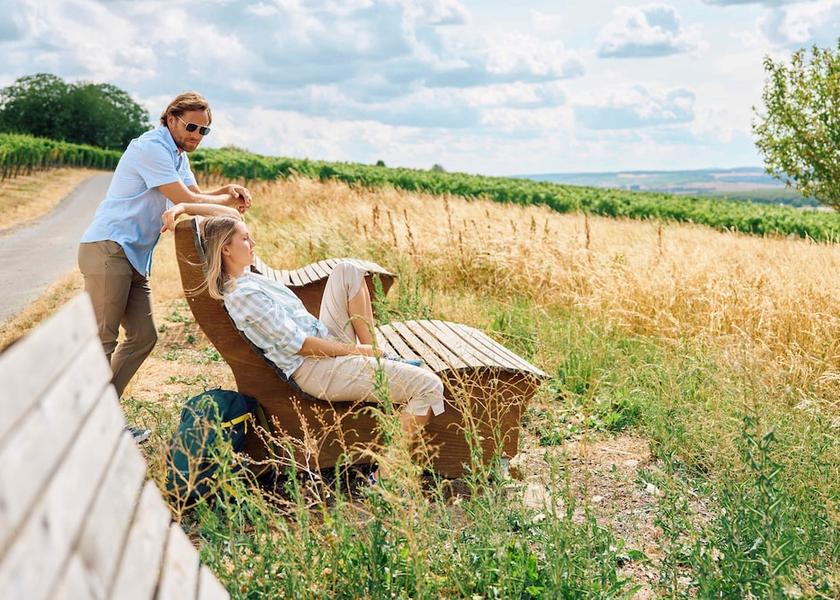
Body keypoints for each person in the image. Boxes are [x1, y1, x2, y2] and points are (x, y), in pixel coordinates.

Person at [171, 215, 445, 479]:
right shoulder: (244, 296)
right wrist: (355, 351)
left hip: (323, 344)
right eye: (245, 239)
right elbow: (300, 346)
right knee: (428, 386)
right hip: (314, 368)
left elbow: (221, 216)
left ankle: (381, 358)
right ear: (225, 249)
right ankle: (387, 477)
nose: (253, 243)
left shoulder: (250, 279)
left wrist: (182, 210)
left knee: (348, 271)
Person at [78, 91, 250, 442]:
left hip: (133, 256)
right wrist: (228, 207)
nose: (196, 136)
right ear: (170, 118)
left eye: (204, 131)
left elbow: (196, 198)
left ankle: (101, 417)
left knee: (143, 336)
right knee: (104, 339)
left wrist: (225, 192)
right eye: (191, 126)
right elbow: (186, 200)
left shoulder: (176, 153)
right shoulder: (151, 148)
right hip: (109, 247)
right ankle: (84, 425)